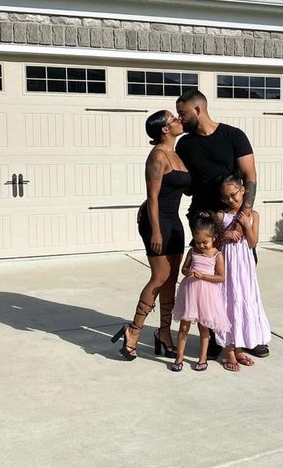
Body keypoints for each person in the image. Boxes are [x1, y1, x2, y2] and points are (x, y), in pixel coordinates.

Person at [175, 88, 269, 358]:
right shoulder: (185, 145)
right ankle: (217, 336)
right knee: (210, 285)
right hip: (204, 222)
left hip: (236, 220)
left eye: (182, 114)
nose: (180, 120)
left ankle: (249, 337)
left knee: (242, 281)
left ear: (197, 110)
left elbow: (250, 176)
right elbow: (187, 185)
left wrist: (243, 218)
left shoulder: (233, 136)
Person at [112, 110, 190, 360]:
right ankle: (133, 330)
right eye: (173, 119)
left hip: (174, 221)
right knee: (159, 277)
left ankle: (164, 333)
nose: (179, 120)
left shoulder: (175, 154)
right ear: (164, 129)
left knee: (171, 279)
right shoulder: (157, 156)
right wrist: (155, 230)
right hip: (157, 221)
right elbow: (152, 197)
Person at [215, 174, 271, 371]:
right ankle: (229, 350)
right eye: (226, 197)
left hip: (245, 268)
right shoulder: (221, 216)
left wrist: (246, 224)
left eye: (233, 195)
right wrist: (225, 234)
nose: (231, 200)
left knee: (243, 301)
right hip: (228, 267)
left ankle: (240, 349)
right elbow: (211, 240)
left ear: (243, 191)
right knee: (229, 302)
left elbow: (253, 242)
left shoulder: (253, 215)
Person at [171, 213, 228, 372]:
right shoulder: (193, 252)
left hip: (207, 295)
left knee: (204, 328)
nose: (201, 246)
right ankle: (179, 357)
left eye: (205, 242)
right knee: (183, 327)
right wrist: (188, 272)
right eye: (198, 242)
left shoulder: (217, 255)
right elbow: (183, 269)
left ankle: (202, 358)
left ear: (214, 237)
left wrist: (203, 276)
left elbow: (221, 277)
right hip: (189, 293)